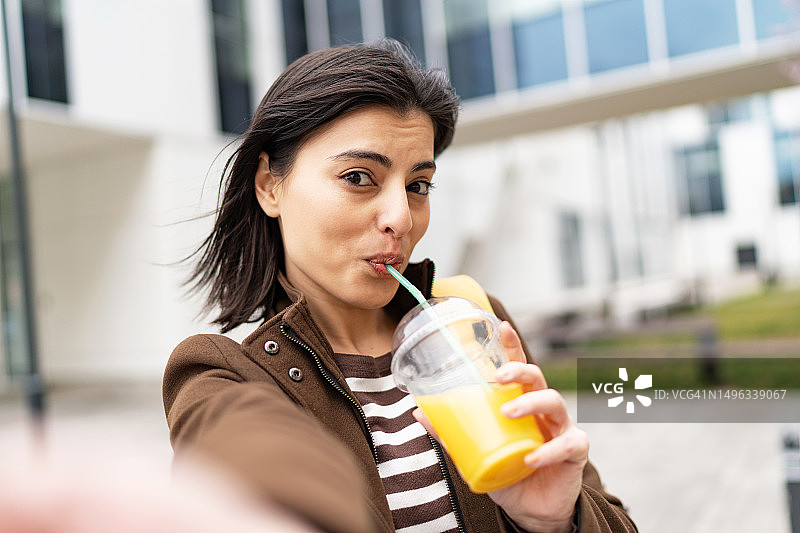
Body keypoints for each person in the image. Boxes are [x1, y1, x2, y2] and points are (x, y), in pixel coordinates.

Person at [163, 39, 637, 533]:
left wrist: (557, 520)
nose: (400, 219)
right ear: (269, 185)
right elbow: (243, 456)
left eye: (418, 186)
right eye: (358, 177)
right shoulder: (221, 375)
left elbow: (613, 516)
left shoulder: (473, 321)